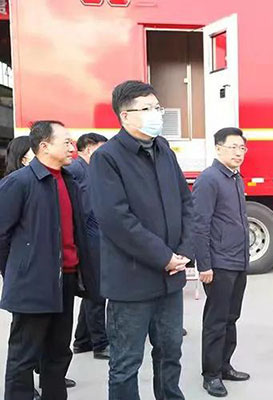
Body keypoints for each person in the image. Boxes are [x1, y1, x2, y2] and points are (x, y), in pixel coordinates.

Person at [90, 80, 194, 399]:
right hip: (131, 284)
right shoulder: (107, 158)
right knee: (126, 363)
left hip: (170, 281)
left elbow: (186, 203)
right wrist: (164, 257)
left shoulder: (163, 150)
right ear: (125, 116)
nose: (156, 114)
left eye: (157, 107)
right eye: (147, 109)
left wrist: (183, 251)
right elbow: (116, 220)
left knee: (170, 354)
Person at [0, 121, 98, 400]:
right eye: (66, 142)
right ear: (44, 146)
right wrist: (18, 271)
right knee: (24, 356)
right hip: (33, 283)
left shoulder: (69, 181)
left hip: (65, 279)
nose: (72, 147)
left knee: (58, 352)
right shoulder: (19, 183)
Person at [193, 127, 251, 397]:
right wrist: (204, 264)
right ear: (218, 148)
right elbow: (200, 224)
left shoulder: (236, 178)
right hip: (219, 263)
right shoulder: (209, 179)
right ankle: (211, 374)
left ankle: (225, 365)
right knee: (216, 320)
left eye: (242, 148)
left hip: (238, 261)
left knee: (231, 317)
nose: (238, 153)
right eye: (233, 147)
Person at [68, 133, 110, 360]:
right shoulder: (75, 169)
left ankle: (82, 340)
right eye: (101, 148)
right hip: (87, 239)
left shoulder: (92, 170)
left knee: (92, 290)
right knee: (97, 292)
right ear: (88, 148)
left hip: (96, 237)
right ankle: (100, 344)